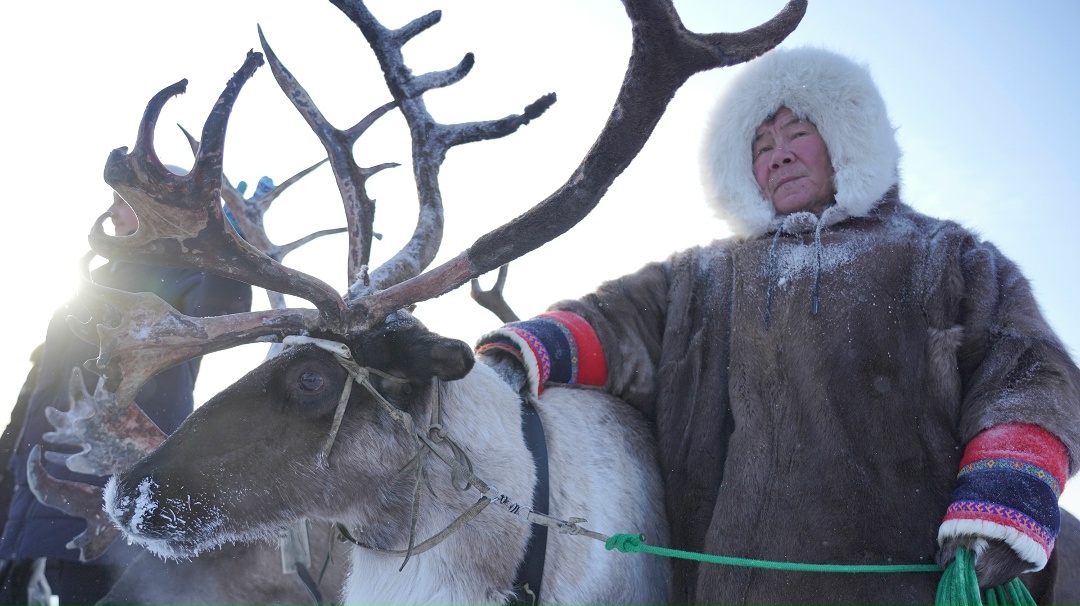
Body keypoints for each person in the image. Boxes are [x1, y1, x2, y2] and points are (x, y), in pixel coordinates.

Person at [476, 47, 1080, 604]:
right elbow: (611, 324)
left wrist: (1009, 484)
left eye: (797, 133)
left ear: (845, 142)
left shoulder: (945, 257)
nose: (778, 154)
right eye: (761, 146)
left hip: (901, 584)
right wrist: (510, 359)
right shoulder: (702, 277)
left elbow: (1028, 372)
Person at [0, 189, 252, 606]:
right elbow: (38, 392)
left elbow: (223, 308)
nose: (112, 211)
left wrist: (229, 249)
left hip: (113, 495)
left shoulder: (190, 277)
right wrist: (7, 470)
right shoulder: (90, 281)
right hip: (34, 496)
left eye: (125, 200)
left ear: (163, 208)